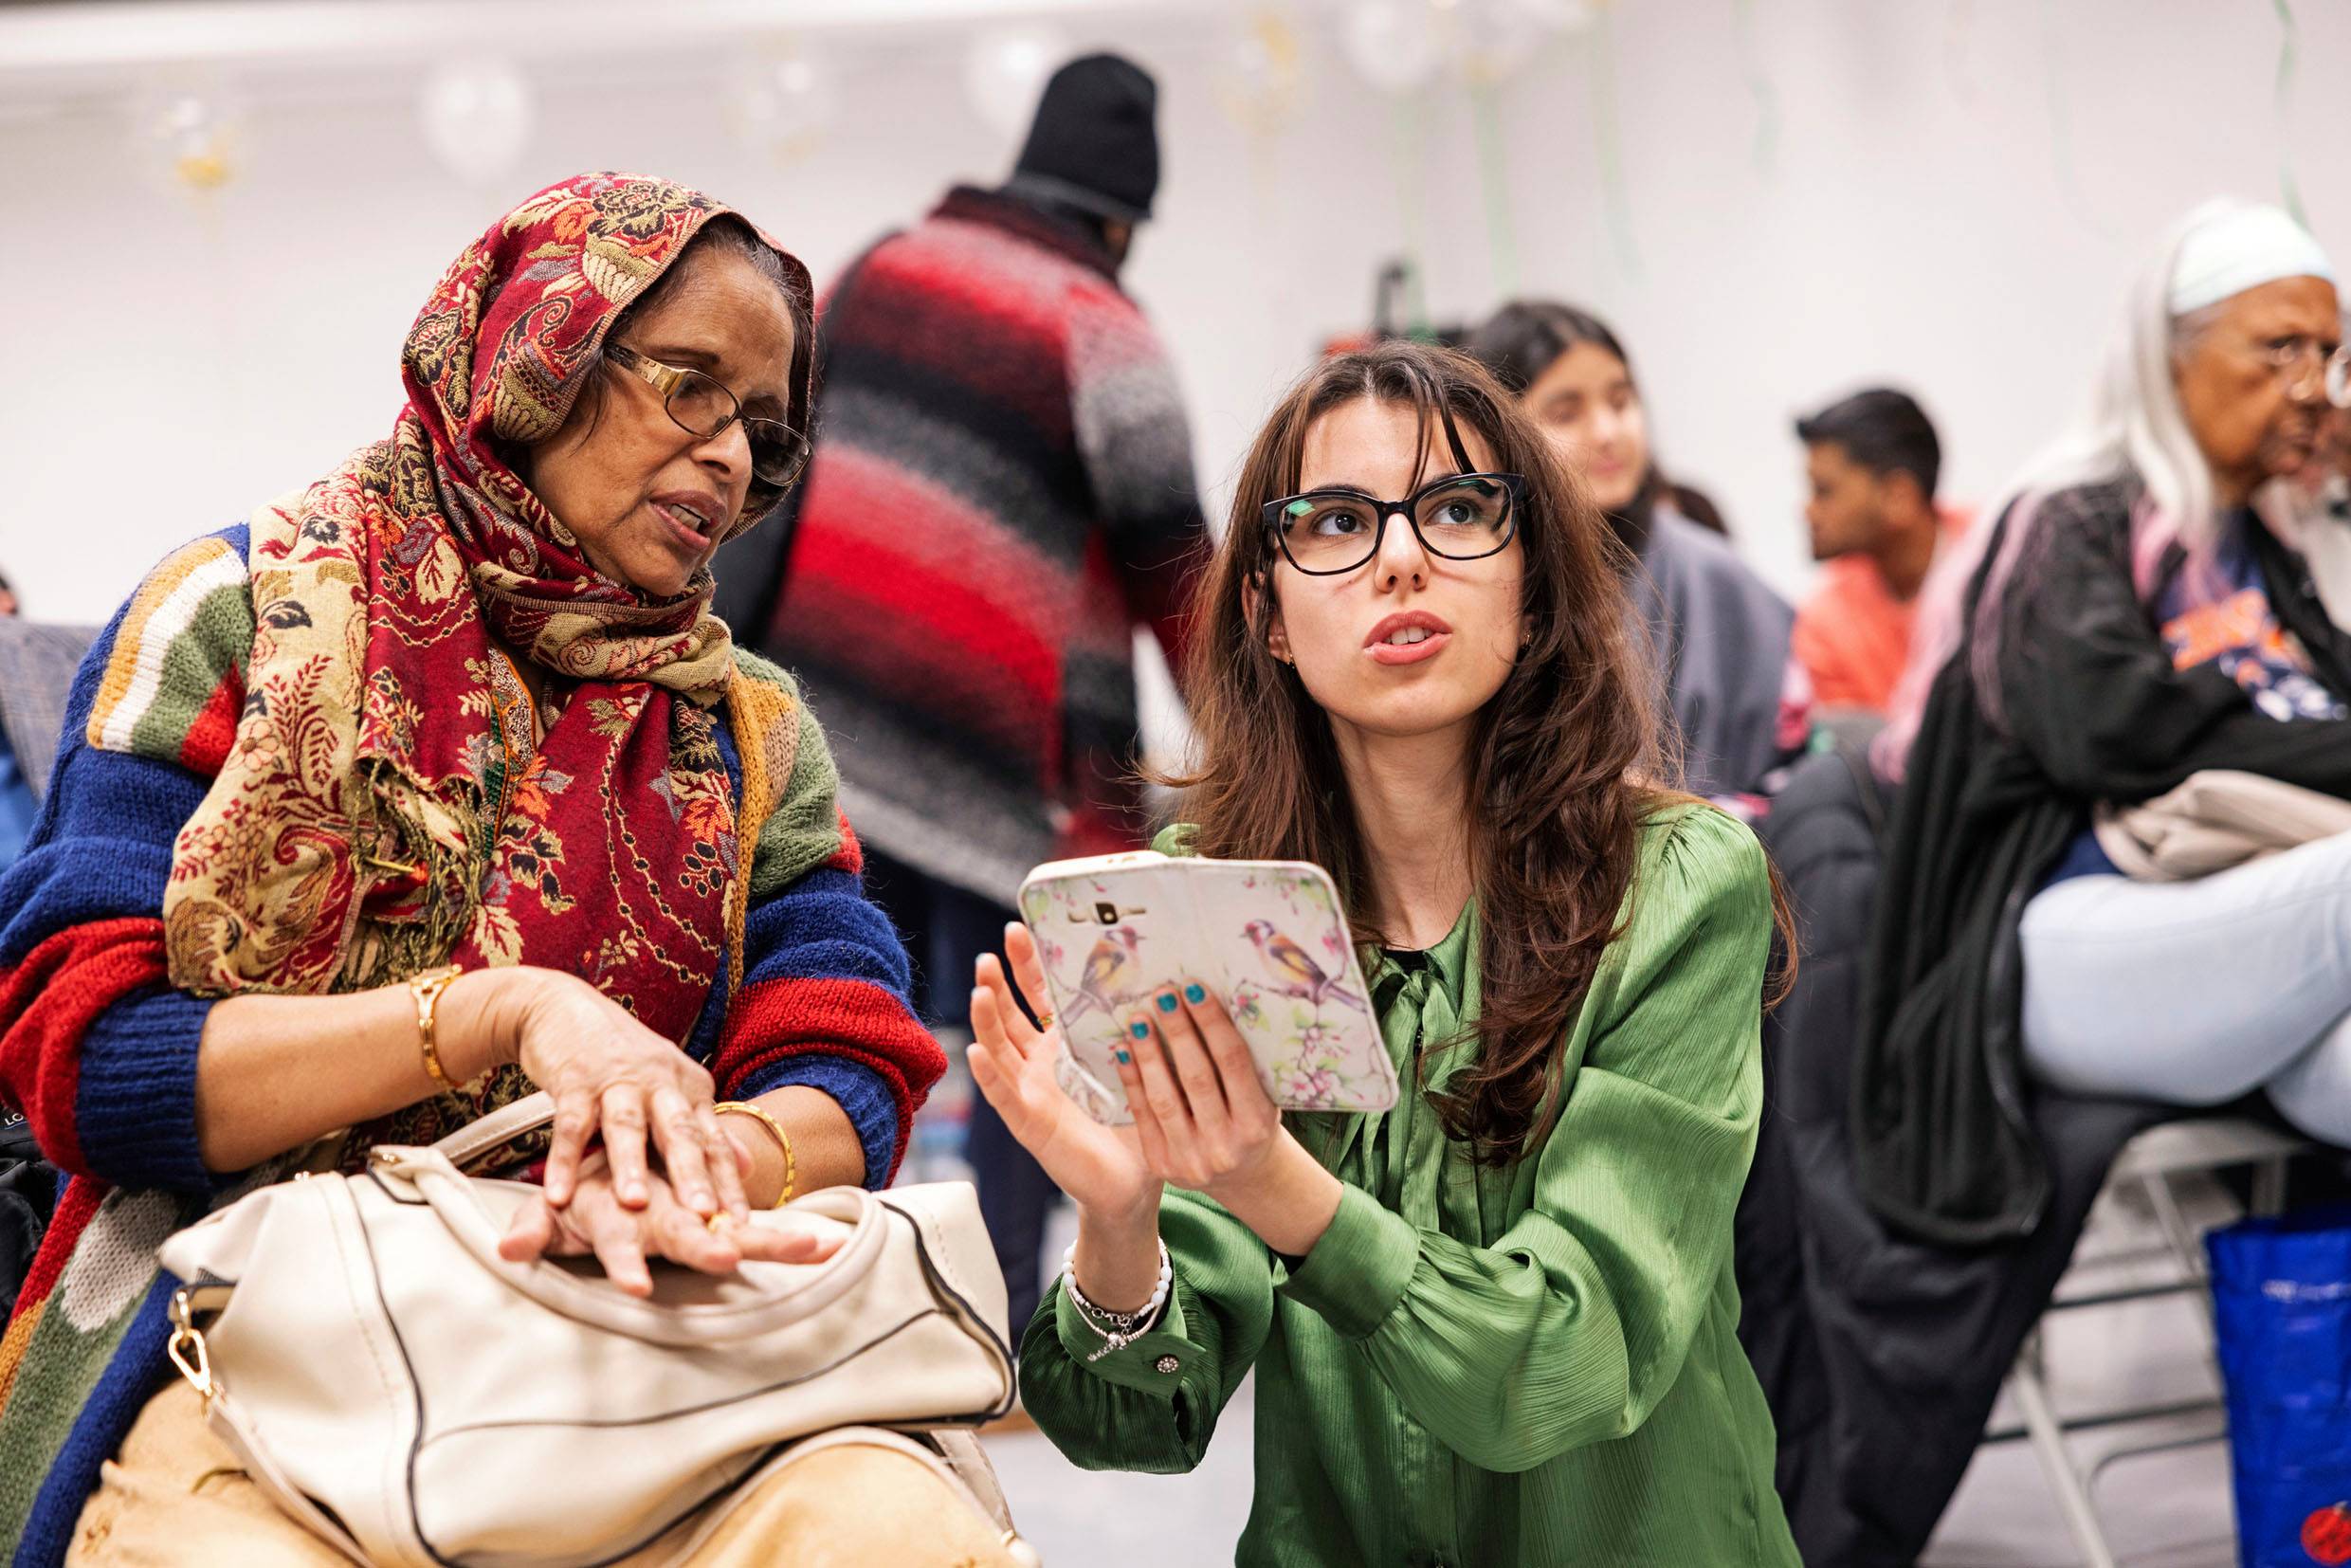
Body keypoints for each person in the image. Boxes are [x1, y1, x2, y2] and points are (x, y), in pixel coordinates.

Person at [0, 173, 1023, 1567]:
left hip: (625, 1337)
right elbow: (90, 1054)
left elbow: (848, 1057)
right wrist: (497, 1015)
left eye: (767, 434)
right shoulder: (236, 617)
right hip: (244, 1330)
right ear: (537, 352)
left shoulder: (749, 727)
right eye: (691, 388)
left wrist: (700, 1157)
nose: (730, 460)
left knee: (895, 1528)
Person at [965, 339, 1803, 1563]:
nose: (1401, 557)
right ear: (1270, 612)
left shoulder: (1674, 885)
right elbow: (1132, 1426)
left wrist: (1272, 1182)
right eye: (1339, 521)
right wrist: (1116, 1221)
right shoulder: (1213, 907)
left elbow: (1566, 1355)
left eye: (1458, 508)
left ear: (1533, 585)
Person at [747, 53, 1206, 1337]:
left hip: (828, 740)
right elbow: (1176, 568)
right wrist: (1267, 742)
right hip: (1010, 767)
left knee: (833, 1020)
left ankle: (822, 1300)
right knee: (1031, 1042)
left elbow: (774, 476)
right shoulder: (1101, 328)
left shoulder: (879, 269)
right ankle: (998, 1325)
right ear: (1120, 220)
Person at [1859, 199, 2351, 1246]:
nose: (2313, 387)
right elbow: (2117, 731)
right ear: (2167, 360)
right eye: (2278, 351)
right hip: (2068, 935)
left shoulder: (2266, 547)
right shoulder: (2068, 521)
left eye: (2328, 354)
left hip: (2255, 940)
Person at [1467, 301, 1806, 803]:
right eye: (1566, 412)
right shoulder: (1473, 582)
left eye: (1621, 401)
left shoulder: (1716, 578)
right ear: (1497, 438)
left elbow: (1793, 771)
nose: (1607, 433)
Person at [1793, 387, 1973, 716]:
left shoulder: (2003, 564)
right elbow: (1859, 757)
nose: (1808, 511)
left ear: (1898, 497)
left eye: (1824, 491)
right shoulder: (1825, 622)